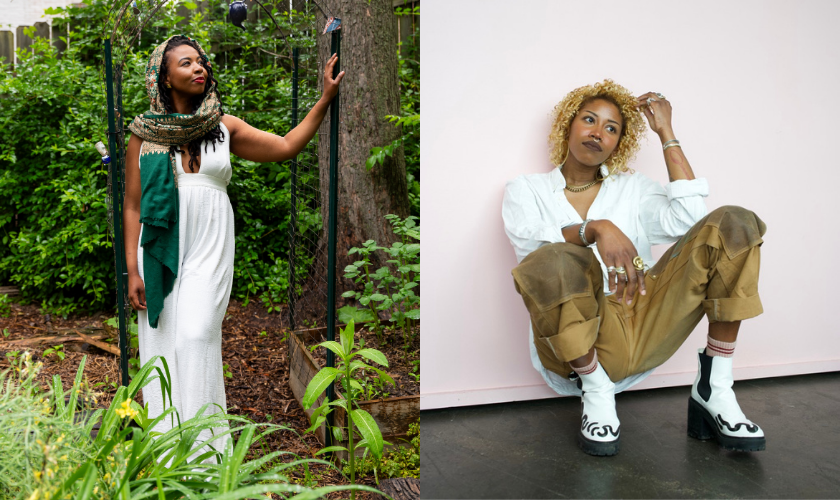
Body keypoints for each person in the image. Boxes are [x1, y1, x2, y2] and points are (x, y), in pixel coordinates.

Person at [502, 80, 766, 457]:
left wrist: (666, 133)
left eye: (611, 128)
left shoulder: (633, 188)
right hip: (579, 344)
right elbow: (532, 251)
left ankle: (715, 387)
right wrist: (596, 228)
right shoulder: (526, 189)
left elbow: (691, 220)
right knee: (552, 259)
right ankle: (596, 389)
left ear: (618, 143)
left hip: (644, 313)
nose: (598, 133)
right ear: (567, 125)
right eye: (589, 120)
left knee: (733, 223)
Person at [123, 35, 344, 455]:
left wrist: (324, 98)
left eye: (201, 61)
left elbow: (285, 146)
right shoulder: (144, 134)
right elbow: (133, 205)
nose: (198, 67)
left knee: (195, 333)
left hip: (210, 245)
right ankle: (169, 451)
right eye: (186, 63)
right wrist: (132, 271)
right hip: (158, 249)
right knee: (163, 344)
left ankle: (208, 451)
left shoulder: (225, 127)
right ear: (164, 78)